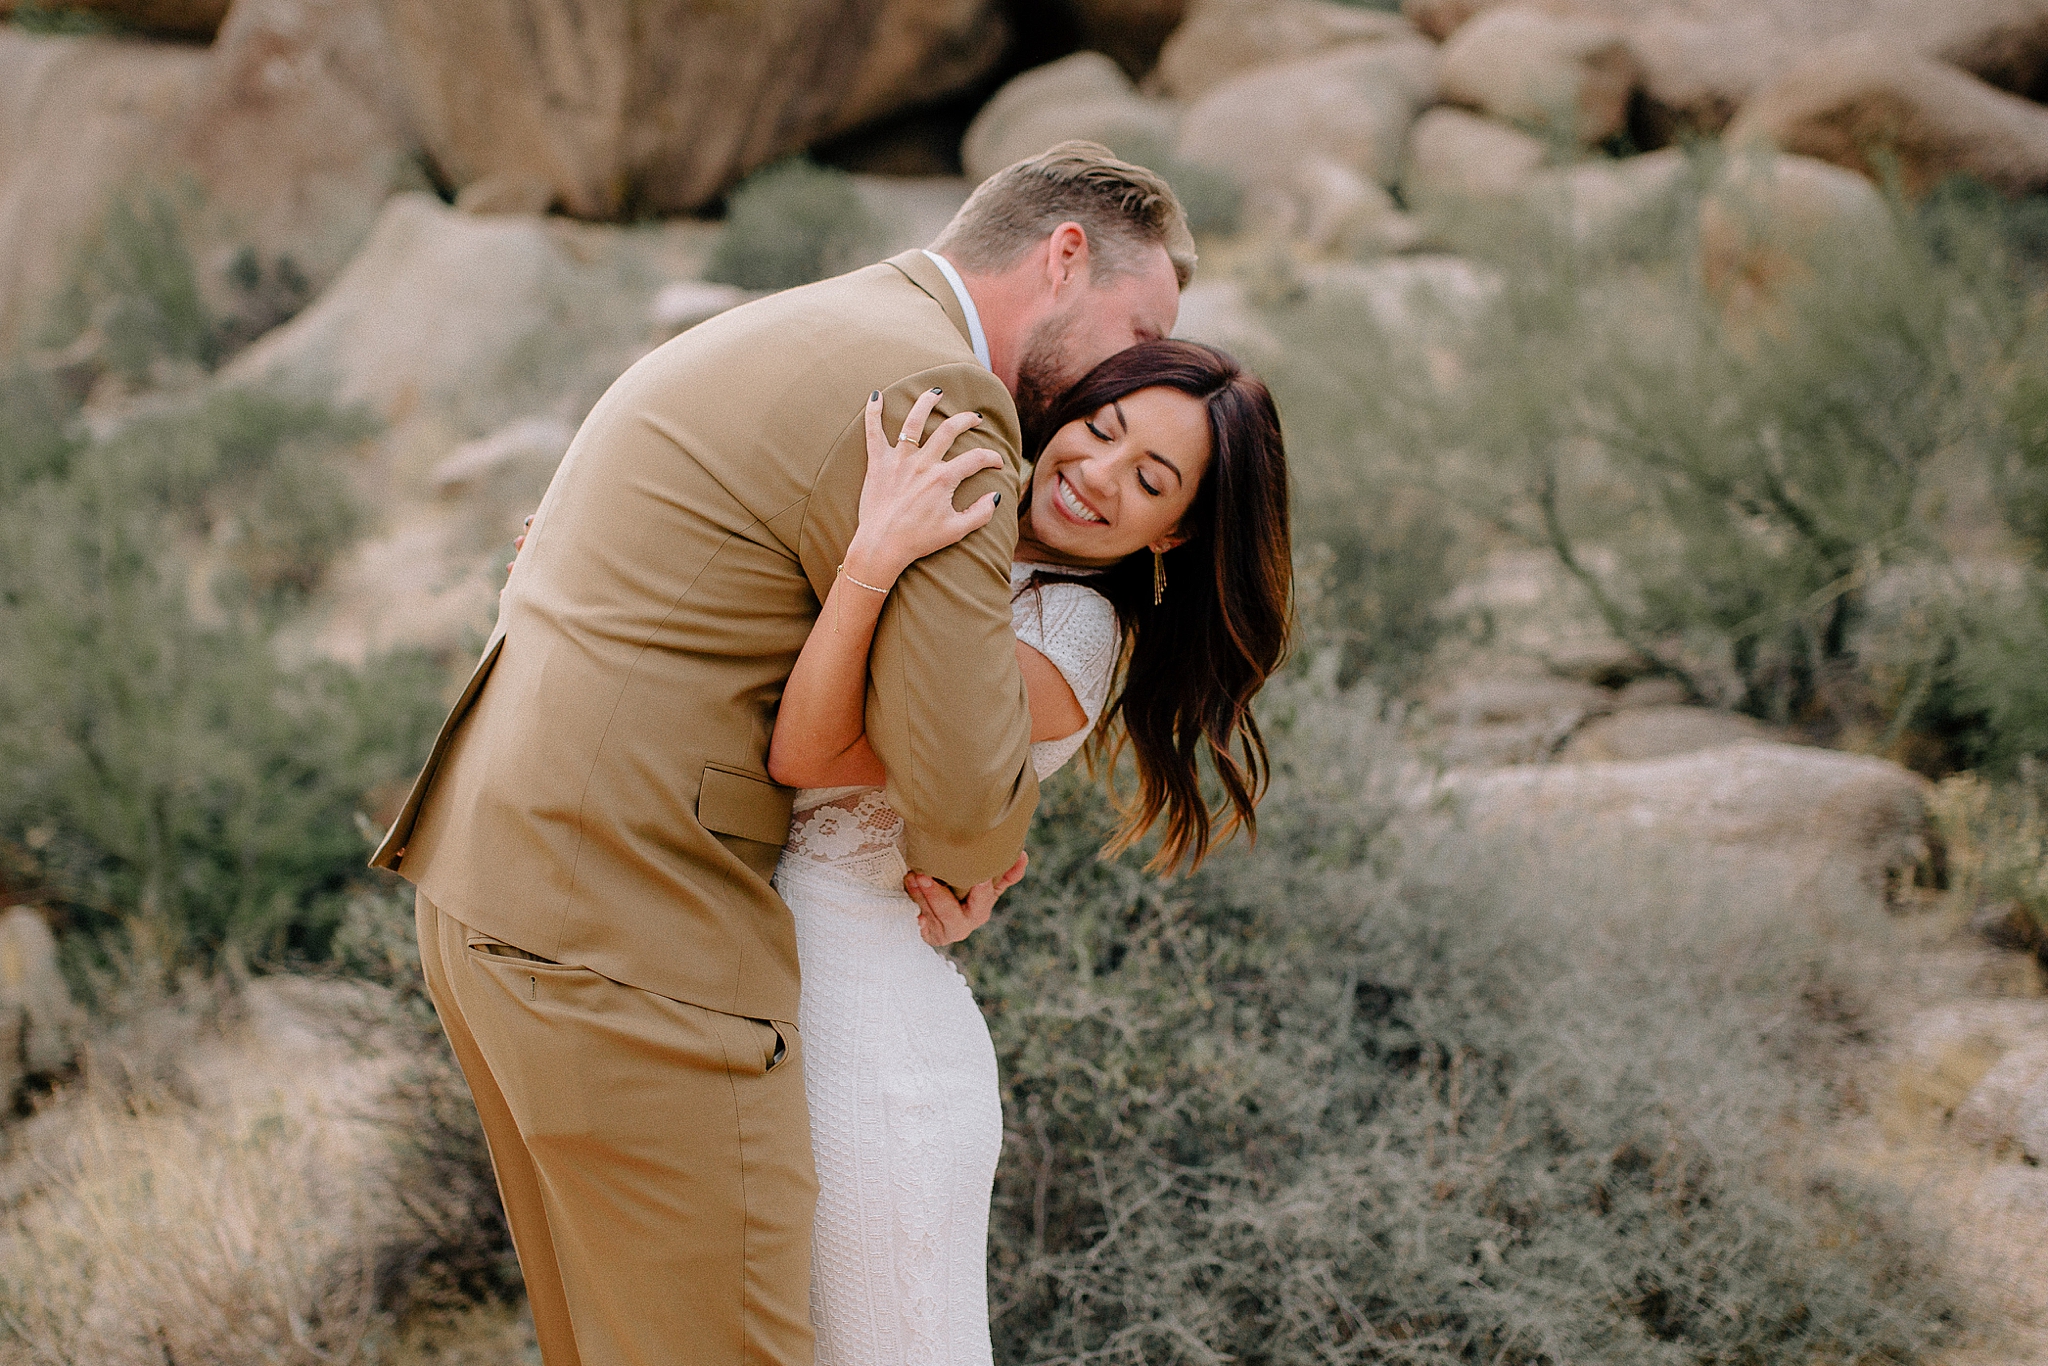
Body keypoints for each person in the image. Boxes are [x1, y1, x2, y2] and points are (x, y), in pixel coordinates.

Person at [368, 140, 1193, 1365]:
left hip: (500, 884)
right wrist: (965, 855)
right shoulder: (942, 393)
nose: (1122, 375)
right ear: (1064, 257)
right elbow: (966, 808)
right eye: (1134, 332)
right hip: (627, 920)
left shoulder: (804, 323)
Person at [764, 338, 1292, 1365]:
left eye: (1147, 479)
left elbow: (810, 748)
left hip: (868, 1043)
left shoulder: (1070, 634)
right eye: (1100, 429)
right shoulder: (967, 529)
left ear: (1173, 531)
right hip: (783, 985)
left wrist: (874, 553)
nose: (1094, 474)